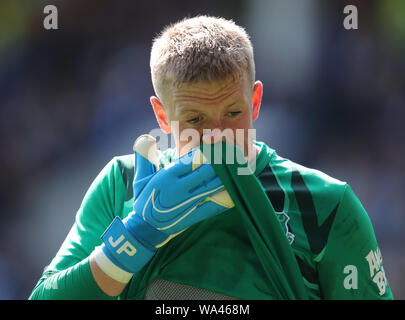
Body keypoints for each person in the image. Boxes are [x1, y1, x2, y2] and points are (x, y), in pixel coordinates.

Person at [29, 15, 393, 300]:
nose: (217, 136)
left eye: (233, 114)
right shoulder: (120, 184)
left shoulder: (326, 203)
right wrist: (135, 238)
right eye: (196, 120)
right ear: (161, 116)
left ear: (255, 101)